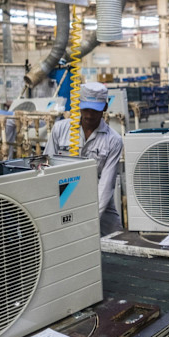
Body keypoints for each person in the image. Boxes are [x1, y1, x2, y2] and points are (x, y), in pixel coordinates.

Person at [44, 82, 123, 234]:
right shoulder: (60, 129)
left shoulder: (113, 140)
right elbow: (46, 166)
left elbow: (106, 186)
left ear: (105, 108)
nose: (88, 115)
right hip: (63, 198)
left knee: (115, 242)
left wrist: (87, 222)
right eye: (85, 109)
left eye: (95, 110)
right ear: (79, 105)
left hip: (98, 201)